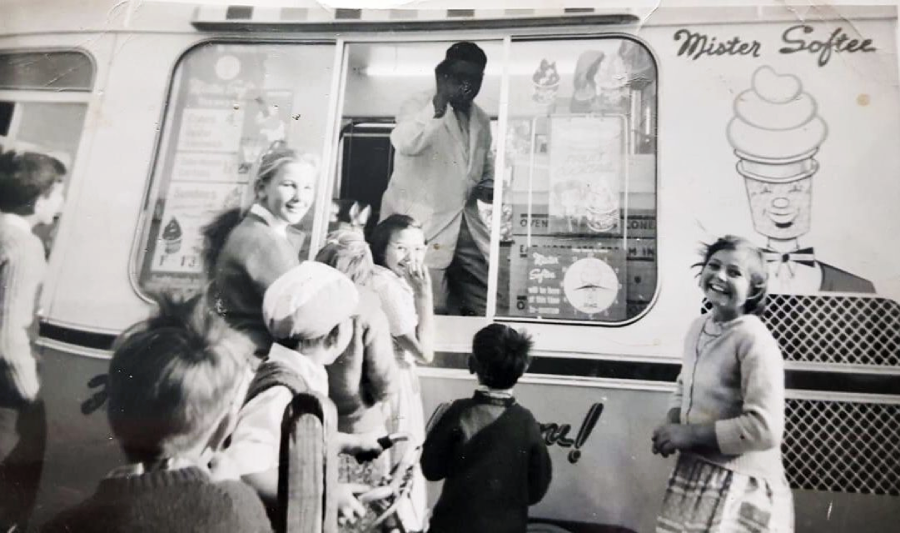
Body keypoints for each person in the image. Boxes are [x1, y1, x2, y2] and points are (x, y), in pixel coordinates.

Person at [41, 293, 270, 533]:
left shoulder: (63, 525)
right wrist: (232, 490)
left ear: (112, 414)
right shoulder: (237, 510)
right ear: (224, 426)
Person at [222, 262, 385, 525]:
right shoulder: (281, 392)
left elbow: (292, 441)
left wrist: (345, 442)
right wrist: (325, 496)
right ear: (334, 336)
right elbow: (248, 469)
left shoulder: (306, 373)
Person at [651, 235, 794, 532]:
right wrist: (673, 423)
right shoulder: (698, 327)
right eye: (713, 265)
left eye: (734, 272)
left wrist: (689, 436)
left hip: (741, 484)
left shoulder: (753, 339)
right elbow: (684, 383)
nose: (719, 276)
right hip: (698, 472)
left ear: (754, 290)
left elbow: (764, 429)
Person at [379, 41, 494, 316]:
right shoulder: (418, 104)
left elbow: (483, 165)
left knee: (488, 299)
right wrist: (439, 102)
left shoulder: (482, 118)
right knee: (424, 307)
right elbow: (406, 142)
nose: (467, 86)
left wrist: (488, 185)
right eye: (460, 78)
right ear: (443, 76)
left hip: (465, 225)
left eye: (474, 79)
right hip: (421, 228)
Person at [421, 323, 552, 533]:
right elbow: (536, 490)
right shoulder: (526, 421)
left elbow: (431, 469)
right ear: (523, 369)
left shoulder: (457, 412)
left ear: (471, 364)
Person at [0, 149, 66, 531]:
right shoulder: (24, 247)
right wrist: (31, 395)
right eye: (57, 194)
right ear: (38, 199)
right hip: (7, 398)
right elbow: (8, 338)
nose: (61, 203)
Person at [204, 141, 318, 358]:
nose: (300, 198)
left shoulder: (255, 230)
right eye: (289, 185)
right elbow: (298, 316)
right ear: (261, 188)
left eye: (307, 188)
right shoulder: (263, 241)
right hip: (253, 358)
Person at [315, 229, 399, 487]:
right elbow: (385, 380)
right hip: (360, 427)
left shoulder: (309, 303)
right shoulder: (369, 310)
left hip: (316, 423)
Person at [367, 214, 433, 530]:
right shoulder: (385, 285)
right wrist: (425, 294)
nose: (412, 258)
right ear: (382, 248)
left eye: (419, 249)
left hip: (396, 375)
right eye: (402, 248)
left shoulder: (391, 281)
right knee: (401, 456)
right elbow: (425, 352)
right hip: (394, 377)